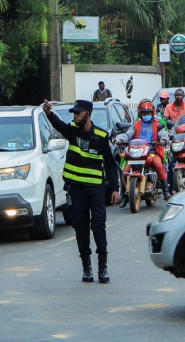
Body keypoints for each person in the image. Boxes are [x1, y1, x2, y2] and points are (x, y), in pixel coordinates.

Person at [45, 99, 119, 283]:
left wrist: (116, 189)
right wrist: (48, 113)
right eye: (74, 114)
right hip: (76, 190)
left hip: (96, 190)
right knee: (81, 228)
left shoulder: (101, 136)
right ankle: (87, 269)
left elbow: (110, 164)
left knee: (99, 226)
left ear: (87, 114)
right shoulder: (72, 130)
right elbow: (58, 124)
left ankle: (103, 268)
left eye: (78, 113)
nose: (75, 116)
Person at [120, 101, 169, 200]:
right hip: (136, 154)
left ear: (153, 113)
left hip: (152, 152)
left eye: (149, 113)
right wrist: (120, 139)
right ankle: (124, 196)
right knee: (125, 172)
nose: (146, 115)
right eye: (144, 113)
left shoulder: (157, 125)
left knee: (159, 166)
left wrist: (163, 140)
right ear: (140, 114)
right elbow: (128, 134)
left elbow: (164, 135)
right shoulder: (136, 125)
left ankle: (166, 191)